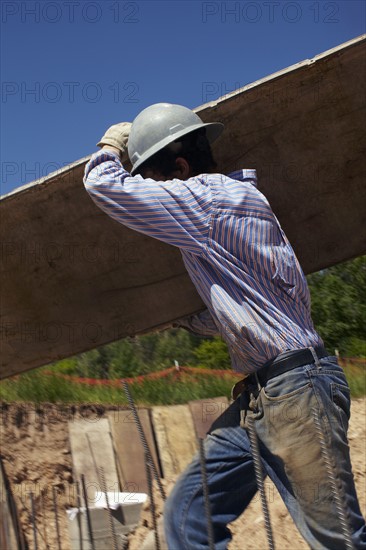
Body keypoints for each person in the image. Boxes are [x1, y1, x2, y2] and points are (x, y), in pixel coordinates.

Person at [84, 103, 365, 549]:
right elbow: (251, 308)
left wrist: (111, 146)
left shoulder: (205, 200)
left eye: (156, 184)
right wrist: (177, 320)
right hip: (269, 393)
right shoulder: (235, 207)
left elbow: (104, 187)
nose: (158, 198)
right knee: (189, 517)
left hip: (295, 391)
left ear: (180, 167)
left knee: (340, 541)